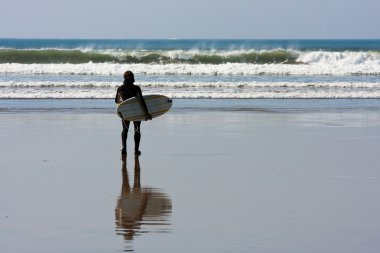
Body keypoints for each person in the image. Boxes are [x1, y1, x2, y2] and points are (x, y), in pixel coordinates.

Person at [115, 71, 152, 156]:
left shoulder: (120, 88)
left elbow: (116, 101)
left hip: (125, 112)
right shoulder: (136, 88)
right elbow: (141, 101)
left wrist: (122, 106)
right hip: (136, 111)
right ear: (132, 78)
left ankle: (124, 148)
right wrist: (146, 114)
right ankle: (136, 150)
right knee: (137, 130)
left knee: (125, 130)